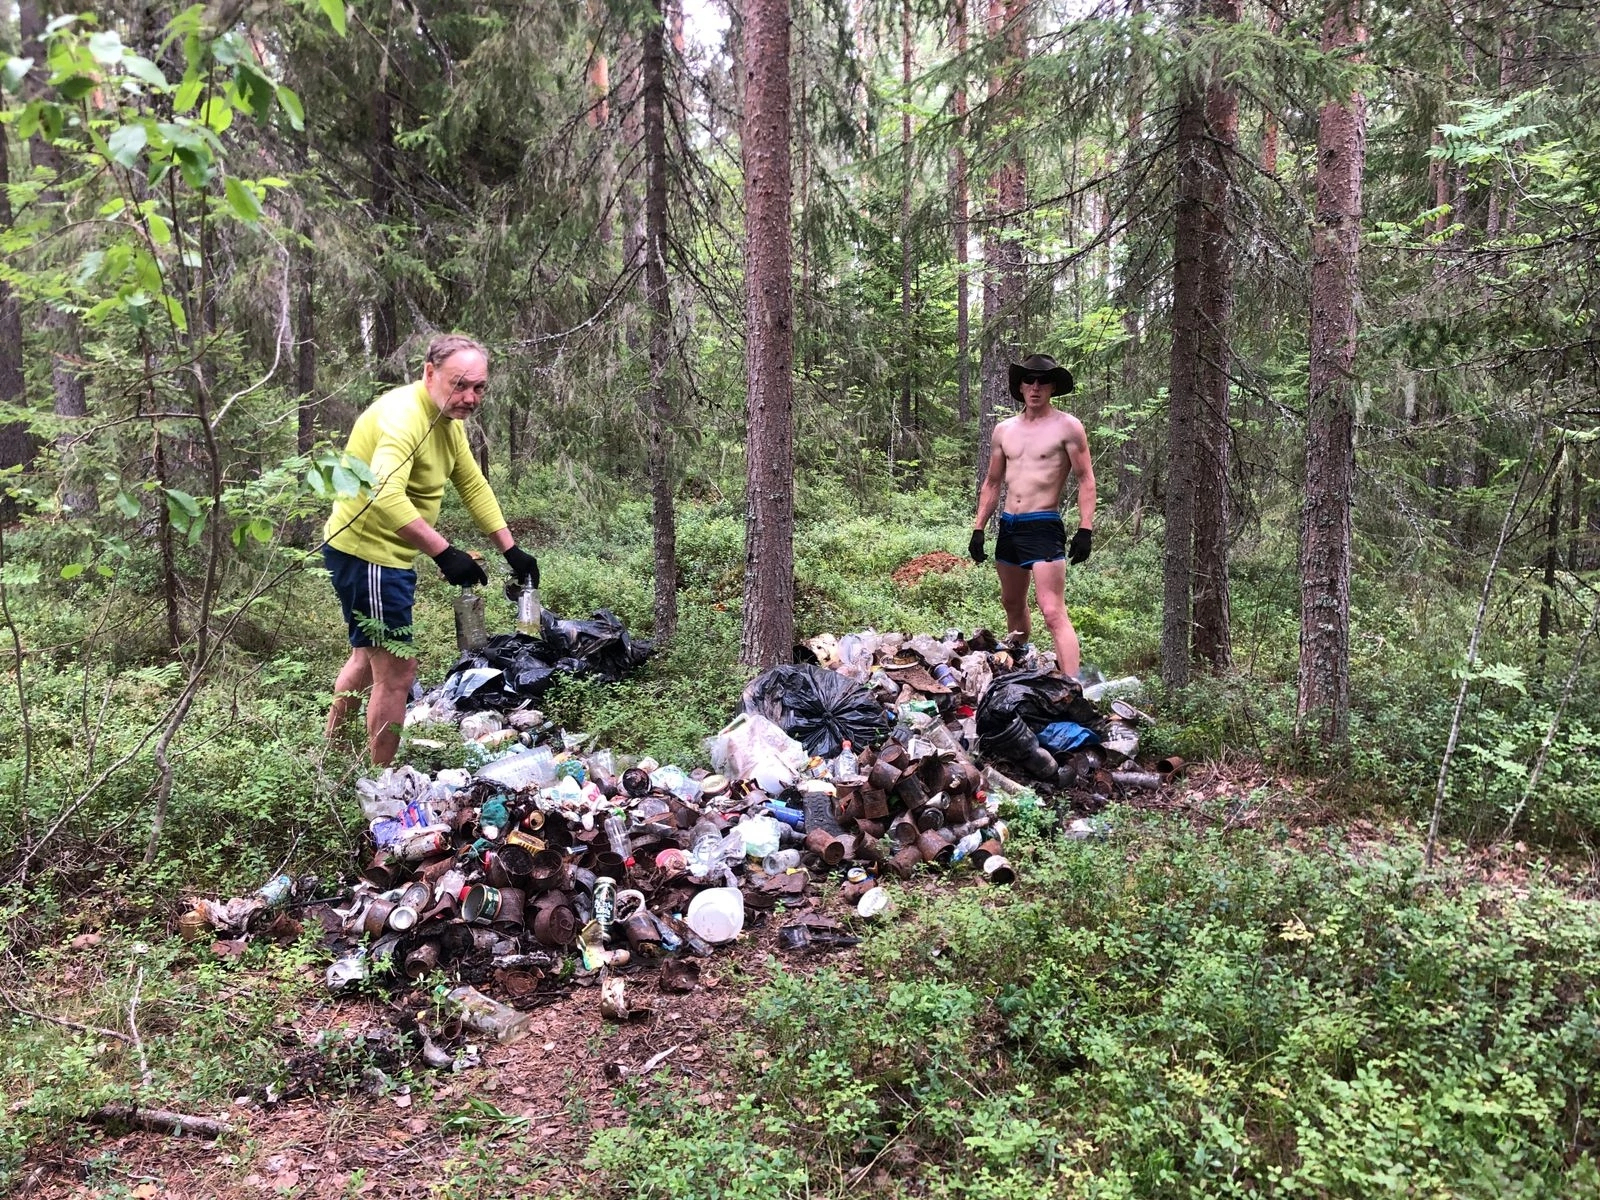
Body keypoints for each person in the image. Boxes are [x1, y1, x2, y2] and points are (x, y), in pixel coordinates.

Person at [323, 333, 540, 765]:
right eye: (460, 385)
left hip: (376, 553)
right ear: (429, 372)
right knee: (398, 671)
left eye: (479, 387)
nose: (470, 397)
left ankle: (330, 756)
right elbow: (384, 494)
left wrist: (510, 550)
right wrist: (444, 552)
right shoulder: (404, 417)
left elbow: (473, 484)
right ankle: (381, 785)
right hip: (368, 553)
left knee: (367, 658)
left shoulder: (446, 421)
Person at [967, 352, 1096, 678]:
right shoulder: (1004, 430)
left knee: (1052, 611)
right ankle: (1020, 665)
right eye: (1029, 380)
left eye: (1042, 381)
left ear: (1052, 387)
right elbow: (993, 481)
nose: (1035, 387)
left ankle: (1072, 687)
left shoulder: (1068, 427)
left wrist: (1085, 529)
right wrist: (978, 528)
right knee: (1012, 603)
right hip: (1009, 526)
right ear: (1020, 386)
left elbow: (1085, 479)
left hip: (1043, 525)